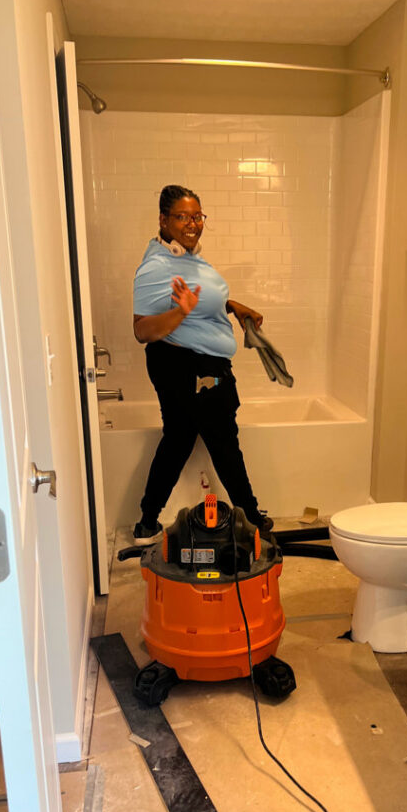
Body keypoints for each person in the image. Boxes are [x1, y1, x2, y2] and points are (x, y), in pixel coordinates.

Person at [131, 184, 272, 544]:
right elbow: (142, 329)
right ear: (163, 220)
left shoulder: (187, 257)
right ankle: (252, 516)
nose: (192, 224)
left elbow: (203, 298)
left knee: (179, 440)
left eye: (197, 216)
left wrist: (233, 306)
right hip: (185, 366)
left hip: (195, 364)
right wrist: (181, 312)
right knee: (223, 441)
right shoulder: (155, 266)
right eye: (182, 217)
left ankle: (147, 523)